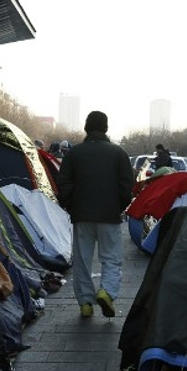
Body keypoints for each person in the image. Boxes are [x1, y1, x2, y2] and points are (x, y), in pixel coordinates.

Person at [57, 111, 134, 318]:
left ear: (86, 128)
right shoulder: (118, 154)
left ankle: (85, 303)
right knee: (111, 258)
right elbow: (127, 186)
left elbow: (63, 184)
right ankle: (106, 291)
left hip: (81, 215)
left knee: (82, 260)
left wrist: (71, 206)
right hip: (109, 215)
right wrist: (118, 207)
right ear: (106, 128)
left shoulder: (74, 154)